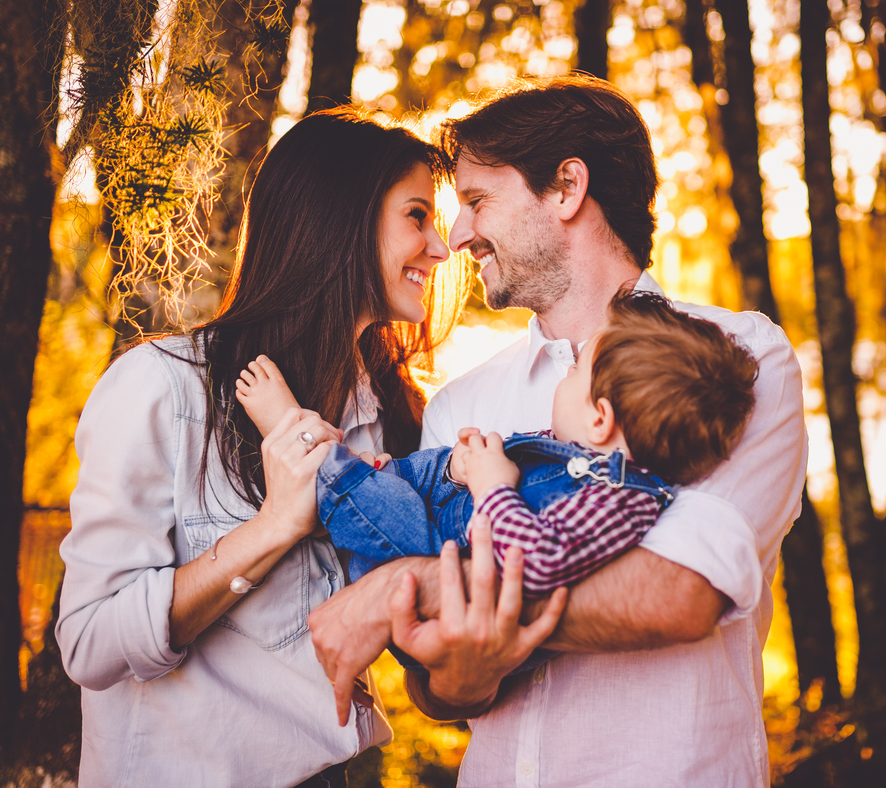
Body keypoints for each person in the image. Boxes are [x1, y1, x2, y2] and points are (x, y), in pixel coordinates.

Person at [308, 76, 808, 786]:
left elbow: (679, 594)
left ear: (567, 187)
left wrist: (428, 583)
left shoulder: (734, 362)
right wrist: (461, 670)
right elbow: (435, 687)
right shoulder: (461, 408)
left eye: (478, 201)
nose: (456, 237)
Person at [54, 108, 486, 787]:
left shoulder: (394, 418)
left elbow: (425, 640)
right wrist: (275, 526)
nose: (440, 247)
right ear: (340, 219)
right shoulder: (164, 389)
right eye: (416, 216)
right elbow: (89, 644)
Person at [234, 290, 758, 678]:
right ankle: (359, 473)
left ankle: (301, 438)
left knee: (368, 494)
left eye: (574, 374)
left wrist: (491, 488)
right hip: (441, 518)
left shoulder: (620, 501)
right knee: (411, 476)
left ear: (601, 419)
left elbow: (540, 561)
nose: (565, 378)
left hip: (426, 550)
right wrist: (470, 464)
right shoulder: (578, 456)